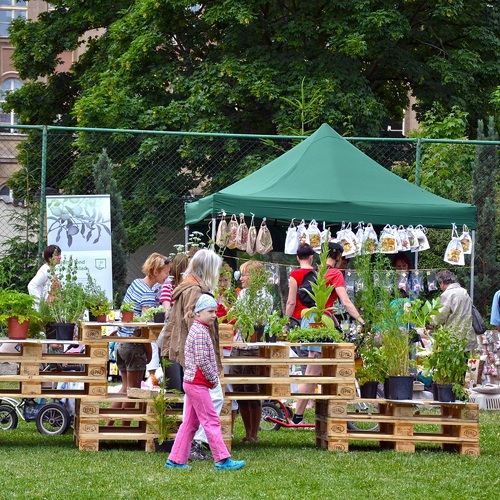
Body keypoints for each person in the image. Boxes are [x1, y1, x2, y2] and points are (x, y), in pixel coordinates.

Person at [165, 294, 245, 471]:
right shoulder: (200, 332)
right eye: (210, 311)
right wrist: (213, 378)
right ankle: (222, 460)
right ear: (198, 313)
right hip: (198, 383)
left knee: (190, 423)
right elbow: (202, 360)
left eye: (215, 311)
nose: (214, 315)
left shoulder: (198, 329)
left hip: (192, 383)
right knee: (211, 421)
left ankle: (175, 460)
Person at [160, 248, 224, 461]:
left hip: (190, 355)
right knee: (213, 399)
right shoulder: (195, 290)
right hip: (196, 358)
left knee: (192, 411)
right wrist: (209, 369)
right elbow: (193, 323)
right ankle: (213, 453)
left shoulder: (187, 285)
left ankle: (178, 456)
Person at [292, 240, 364, 424]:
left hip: (308, 320)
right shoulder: (335, 273)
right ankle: (297, 416)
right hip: (321, 323)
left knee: (320, 369)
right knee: (312, 369)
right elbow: (346, 302)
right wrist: (362, 320)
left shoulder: (314, 271)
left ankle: (329, 413)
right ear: (339, 256)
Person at [107, 253, 171, 425]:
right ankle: (125, 428)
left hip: (121, 344)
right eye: (165, 273)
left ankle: (110, 424)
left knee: (124, 387)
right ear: (156, 271)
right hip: (134, 347)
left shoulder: (135, 283)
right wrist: (149, 350)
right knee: (134, 390)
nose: (167, 277)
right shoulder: (148, 294)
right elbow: (144, 327)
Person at [231, 260, 273, 443]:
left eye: (245, 274)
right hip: (238, 345)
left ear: (255, 277)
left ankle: (253, 434)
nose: (241, 278)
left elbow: (258, 321)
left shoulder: (265, 297)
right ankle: (247, 432)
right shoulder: (243, 294)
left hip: (253, 348)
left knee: (252, 390)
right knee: (239, 389)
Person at [431, 270, 475, 352]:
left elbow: (440, 316)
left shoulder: (448, 294)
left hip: (453, 338)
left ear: (442, 283)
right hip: (467, 336)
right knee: (464, 363)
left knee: (451, 363)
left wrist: (431, 321)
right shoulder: (464, 292)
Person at [285, 243, 315, 327]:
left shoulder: (295, 275)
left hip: (299, 318)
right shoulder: (319, 273)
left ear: (297, 258)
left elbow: (291, 302)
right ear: (311, 257)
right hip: (316, 318)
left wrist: (286, 323)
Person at [27, 245, 62, 309]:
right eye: (57, 255)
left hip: (52, 308)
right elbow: (32, 285)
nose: (60, 257)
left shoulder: (51, 270)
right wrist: (39, 303)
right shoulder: (44, 271)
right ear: (50, 258)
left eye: (60, 255)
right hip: (46, 310)